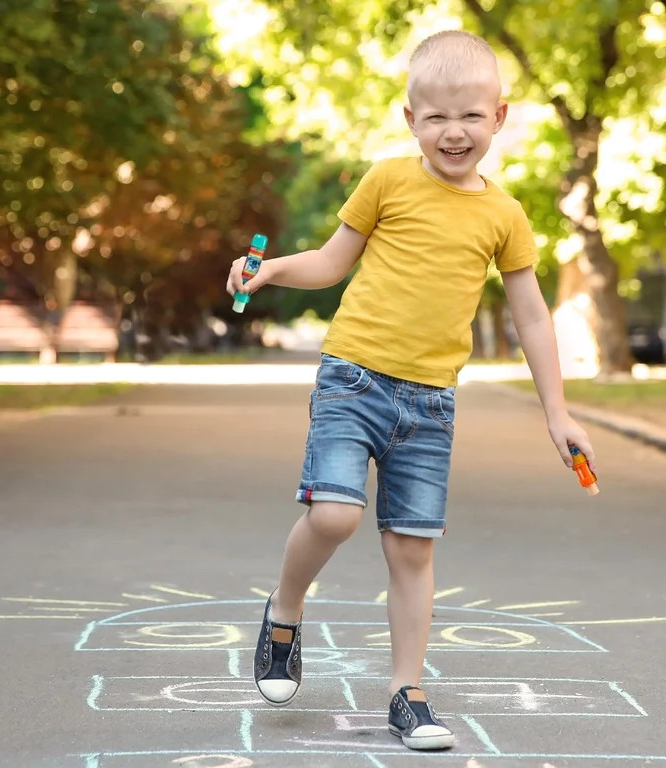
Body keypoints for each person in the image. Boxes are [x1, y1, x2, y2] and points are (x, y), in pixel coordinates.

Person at [226, 29, 596, 751]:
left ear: (500, 116)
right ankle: (285, 611)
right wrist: (269, 270)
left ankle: (408, 693)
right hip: (353, 377)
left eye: (469, 116)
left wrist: (559, 413)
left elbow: (531, 315)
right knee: (334, 516)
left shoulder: (505, 215)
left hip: (429, 401)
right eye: (435, 117)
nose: (452, 132)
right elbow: (332, 262)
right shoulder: (388, 180)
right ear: (410, 120)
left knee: (413, 551)